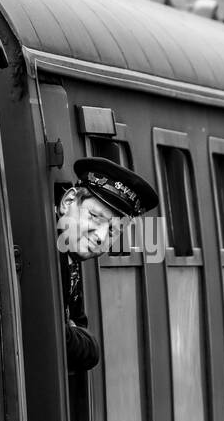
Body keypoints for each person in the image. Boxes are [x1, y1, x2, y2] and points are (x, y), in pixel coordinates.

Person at [56, 157, 159, 372]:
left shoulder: (69, 254)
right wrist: (70, 331)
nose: (102, 237)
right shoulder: (49, 252)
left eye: (113, 231)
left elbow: (86, 346)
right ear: (68, 202)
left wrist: (71, 332)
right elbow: (55, 338)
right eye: (95, 217)